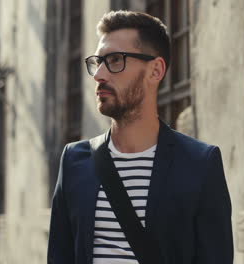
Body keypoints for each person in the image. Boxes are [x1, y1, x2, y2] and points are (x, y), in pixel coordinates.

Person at [47, 10, 233, 264]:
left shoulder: (200, 164)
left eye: (114, 60)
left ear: (155, 71)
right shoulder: (74, 161)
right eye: (97, 62)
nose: (99, 75)